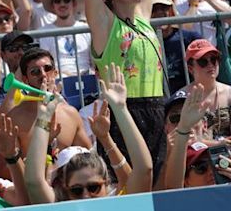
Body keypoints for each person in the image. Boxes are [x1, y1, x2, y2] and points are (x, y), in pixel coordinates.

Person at [73, 0, 165, 182]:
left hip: (159, 108)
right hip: (124, 115)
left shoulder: (143, 17)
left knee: (164, 194)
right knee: (130, 192)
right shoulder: (105, 24)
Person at [25, 64, 152, 202]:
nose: (85, 195)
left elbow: (144, 169)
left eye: (93, 188)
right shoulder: (60, 209)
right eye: (77, 191)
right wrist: (44, 117)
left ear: (106, 183)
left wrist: (121, 109)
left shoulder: (117, 205)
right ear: (65, 189)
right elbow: (34, 182)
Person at [0, 48, 91, 157]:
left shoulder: (70, 113)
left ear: (56, 73)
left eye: (47, 68)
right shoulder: (14, 119)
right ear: (25, 79)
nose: (43, 74)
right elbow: (6, 170)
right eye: (35, 71)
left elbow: (89, 161)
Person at [151, 0, 201, 93]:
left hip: (187, 96)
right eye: (154, 9)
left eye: (164, 8)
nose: (159, 12)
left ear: (171, 11)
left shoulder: (190, 38)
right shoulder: (145, 42)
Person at [181, 39, 231, 140]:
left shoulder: (229, 92)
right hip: (199, 154)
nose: (210, 64)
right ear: (190, 68)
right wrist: (218, 145)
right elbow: (185, 140)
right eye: (203, 61)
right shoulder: (182, 97)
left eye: (214, 59)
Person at [40, 0, 91, 77]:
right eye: (57, 1)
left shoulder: (85, 28)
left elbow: (94, 60)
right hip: (59, 80)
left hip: (87, 77)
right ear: (52, 6)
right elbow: (46, 64)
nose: (62, 4)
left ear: (74, 4)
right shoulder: (44, 31)